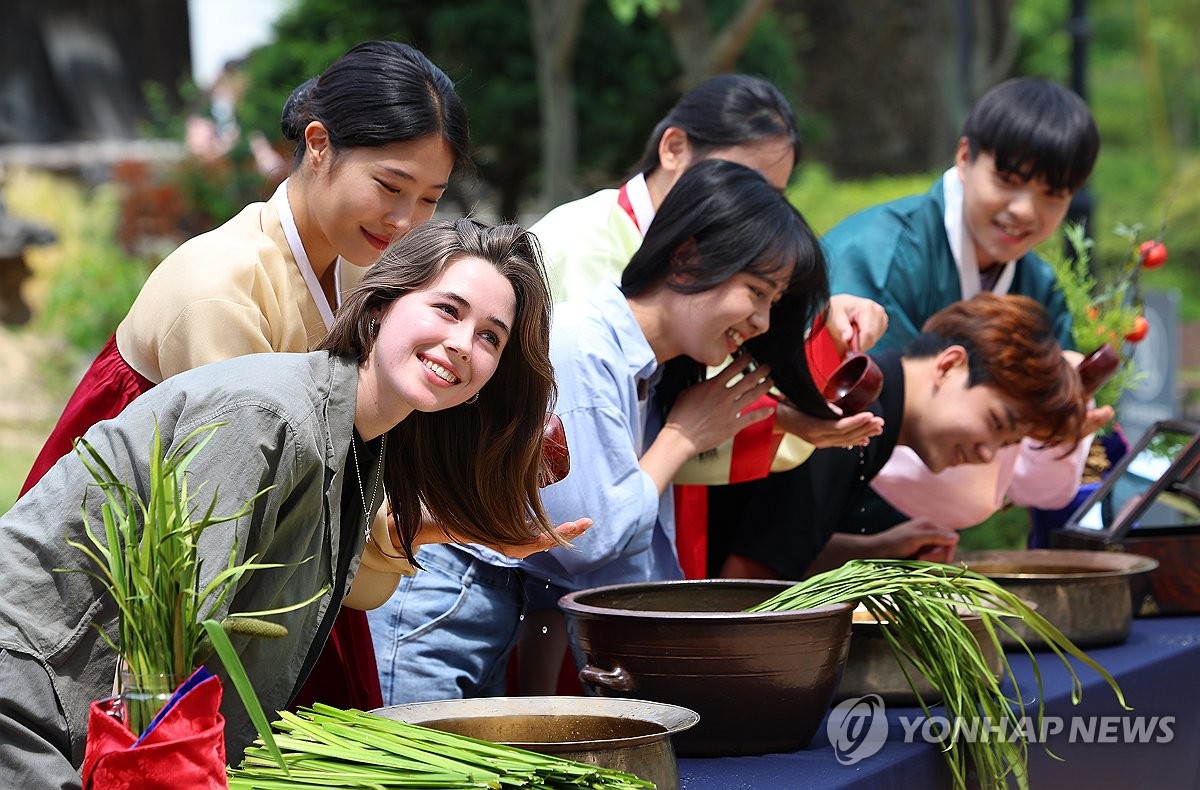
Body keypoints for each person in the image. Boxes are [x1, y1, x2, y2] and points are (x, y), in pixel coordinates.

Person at [0, 219, 591, 787]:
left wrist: (471, 527)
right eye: (447, 309)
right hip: (30, 701)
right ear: (382, 303)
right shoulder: (267, 417)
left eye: (490, 336)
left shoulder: (362, 441)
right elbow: (166, 650)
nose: (463, 344)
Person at [19, 40, 469, 712]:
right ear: (319, 145)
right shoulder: (219, 286)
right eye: (390, 187)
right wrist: (380, 525)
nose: (406, 221)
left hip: (286, 563)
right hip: (160, 577)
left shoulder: (364, 273)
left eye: (430, 198)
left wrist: (405, 524)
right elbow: (234, 523)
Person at [370, 160, 836, 704]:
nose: (761, 320)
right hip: (444, 602)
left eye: (775, 303)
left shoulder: (645, 370)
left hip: (483, 608)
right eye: (757, 291)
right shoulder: (586, 345)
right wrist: (681, 440)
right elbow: (585, 537)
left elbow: (560, 566)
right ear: (687, 256)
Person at [530, 72, 887, 451]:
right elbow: (596, 454)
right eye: (738, 179)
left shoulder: (700, 264)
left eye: (773, 196)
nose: (756, 208)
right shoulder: (585, 245)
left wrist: (817, 324)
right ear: (674, 148)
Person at [820, 77, 1112, 536]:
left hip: (919, 546)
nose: (1024, 210)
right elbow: (852, 412)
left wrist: (1060, 418)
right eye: (1008, 181)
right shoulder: (882, 254)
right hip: (823, 530)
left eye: (1051, 195)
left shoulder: (1039, 284)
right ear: (964, 157)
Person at [710, 293, 1088, 580]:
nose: (988, 454)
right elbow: (746, 583)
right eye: (996, 424)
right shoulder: (852, 415)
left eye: (1007, 445)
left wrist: (878, 551)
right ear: (950, 365)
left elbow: (773, 545)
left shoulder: (875, 411)